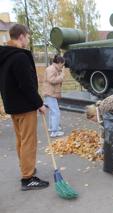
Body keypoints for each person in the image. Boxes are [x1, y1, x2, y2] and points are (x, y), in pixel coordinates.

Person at [0, 24, 49, 190]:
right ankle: (28, 178)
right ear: (21, 36)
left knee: (21, 140)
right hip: (25, 106)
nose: (28, 39)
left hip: (13, 105)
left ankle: (26, 168)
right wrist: (39, 104)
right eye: (27, 36)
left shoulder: (5, 55)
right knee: (29, 141)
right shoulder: (19, 57)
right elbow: (26, 85)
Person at [43, 55, 65, 138]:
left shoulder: (53, 68)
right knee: (56, 112)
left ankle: (52, 127)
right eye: (62, 64)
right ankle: (54, 131)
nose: (62, 66)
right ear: (59, 63)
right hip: (50, 93)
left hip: (50, 93)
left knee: (53, 111)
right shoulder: (51, 69)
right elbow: (52, 80)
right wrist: (62, 76)